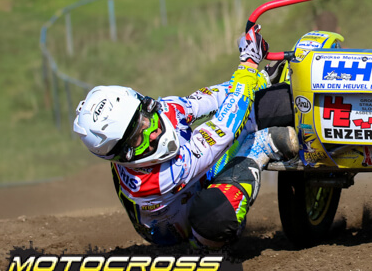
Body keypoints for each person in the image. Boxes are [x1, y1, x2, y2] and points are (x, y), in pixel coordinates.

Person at [72, 23, 298, 248]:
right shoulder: (155, 181)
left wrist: (261, 80)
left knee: (278, 100)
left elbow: (203, 101)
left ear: (142, 102)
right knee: (215, 216)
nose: (153, 132)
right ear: (123, 155)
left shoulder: (158, 110)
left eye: (143, 119)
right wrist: (248, 64)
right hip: (182, 228)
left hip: (196, 177)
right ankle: (259, 148)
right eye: (137, 139)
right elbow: (225, 127)